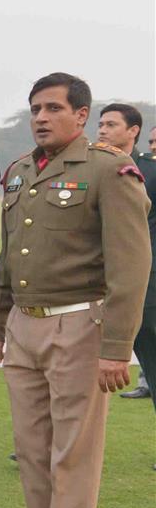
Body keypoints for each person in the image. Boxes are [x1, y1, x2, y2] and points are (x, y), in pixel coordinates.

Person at [0, 74, 150, 508]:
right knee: (33, 453)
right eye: (35, 108)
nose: (41, 116)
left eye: (53, 107)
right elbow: (8, 258)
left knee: (71, 456)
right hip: (25, 328)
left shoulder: (108, 170)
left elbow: (131, 266)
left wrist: (116, 347)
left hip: (81, 326)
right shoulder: (19, 173)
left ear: (81, 115)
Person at [97, 104, 156, 403]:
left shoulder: (149, 170)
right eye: (101, 124)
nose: (103, 130)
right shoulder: (90, 167)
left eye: (111, 125)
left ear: (133, 131)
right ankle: (43, 445)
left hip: (147, 288)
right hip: (92, 285)